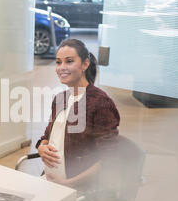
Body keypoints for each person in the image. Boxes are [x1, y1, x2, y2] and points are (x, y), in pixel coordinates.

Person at [36, 39, 120, 191]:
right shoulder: (60, 99)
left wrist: (71, 183)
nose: (62, 68)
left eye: (69, 61)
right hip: (49, 181)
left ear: (85, 64)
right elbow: (47, 136)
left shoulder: (100, 103)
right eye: (58, 62)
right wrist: (41, 147)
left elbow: (109, 157)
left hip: (79, 188)